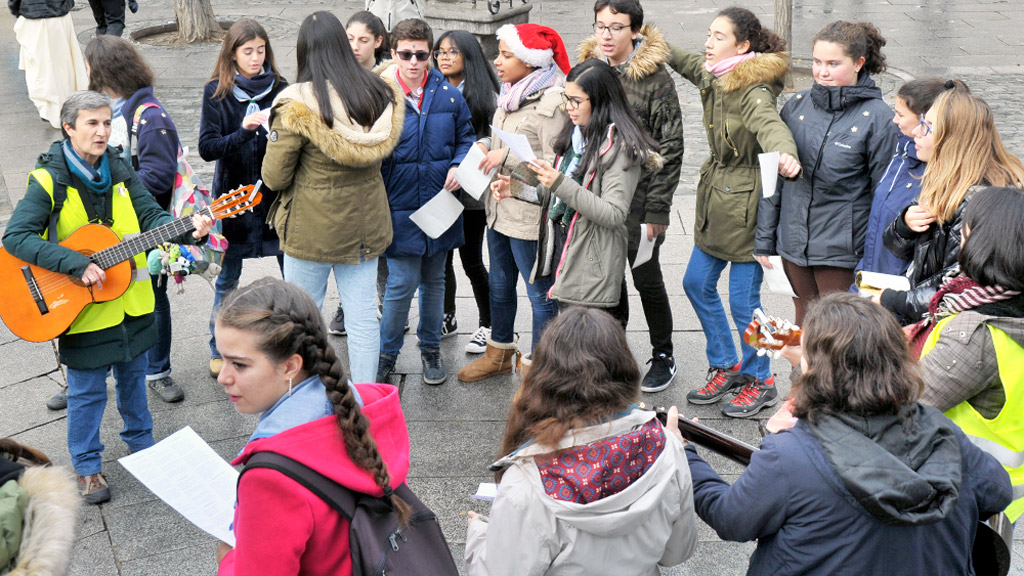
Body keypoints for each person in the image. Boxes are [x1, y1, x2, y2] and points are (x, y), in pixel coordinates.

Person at [677, 292, 1011, 575]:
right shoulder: (942, 431)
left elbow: (731, 520)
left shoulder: (788, 456)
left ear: (814, 371)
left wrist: (686, 456)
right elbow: (996, 492)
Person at [1, 91, 213, 504]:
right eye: (91, 124)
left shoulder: (117, 167)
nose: (102, 132)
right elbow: (15, 237)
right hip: (79, 311)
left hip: (131, 302)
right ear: (68, 128)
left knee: (135, 380)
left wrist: (189, 229)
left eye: (106, 123)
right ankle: (87, 466)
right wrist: (74, 264)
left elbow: (151, 215)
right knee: (86, 392)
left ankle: (143, 445)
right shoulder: (49, 179)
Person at [464, 307, 696, 574]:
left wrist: (479, 535)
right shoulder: (667, 446)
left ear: (545, 379)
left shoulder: (527, 483)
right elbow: (676, 551)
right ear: (625, 369)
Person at [213, 278, 411, 575]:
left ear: (290, 366)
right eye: (221, 359)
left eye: (239, 364)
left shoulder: (269, 478)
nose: (222, 377)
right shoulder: (360, 408)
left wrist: (229, 558)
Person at [666, 7, 799, 416]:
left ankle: (765, 379)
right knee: (695, 282)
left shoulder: (753, 88)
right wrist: (642, 38)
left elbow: (770, 125)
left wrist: (786, 154)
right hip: (717, 201)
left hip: (750, 208)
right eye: (708, 34)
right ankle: (729, 364)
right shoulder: (718, 72)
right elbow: (687, 62)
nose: (708, 42)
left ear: (742, 46)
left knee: (745, 303)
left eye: (718, 36)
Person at [261, 11, 403, 385]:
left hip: (311, 229)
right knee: (361, 318)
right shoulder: (379, 92)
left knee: (303, 320)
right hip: (365, 224)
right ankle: (366, 396)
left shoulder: (297, 104)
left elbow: (274, 177)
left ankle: (306, 391)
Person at [755, 21, 899, 325]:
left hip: (842, 251)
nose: (822, 71)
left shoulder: (879, 119)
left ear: (859, 63)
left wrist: (873, 258)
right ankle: (803, 374)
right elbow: (773, 182)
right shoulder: (796, 107)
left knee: (839, 330)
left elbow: (884, 197)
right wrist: (765, 241)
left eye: (833, 64)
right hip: (793, 244)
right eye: (817, 62)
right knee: (803, 324)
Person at [493, 59, 659, 314]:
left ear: (601, 100)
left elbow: (614, 214)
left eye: (576, 101)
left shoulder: (620, 148)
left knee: (589, 347)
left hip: (593, 258)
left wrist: (560, 183)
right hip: (565, 246)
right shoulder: (576, 134)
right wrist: (516, 190)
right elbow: (559, 199)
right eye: (566, 98)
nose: (568, 108)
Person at [577, 0, 683, 393]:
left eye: (616, 27)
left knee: (646, 276)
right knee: (607, 276)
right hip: (599, 194)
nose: (606, 35)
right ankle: (612, 353)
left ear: (635, 31)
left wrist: (658, 208)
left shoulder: (653, 78)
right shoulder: (591, 69)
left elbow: (671, 146)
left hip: (640, 200)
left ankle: (664, 354)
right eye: (600, 26)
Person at [457, 23, 570, 383]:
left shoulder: (553, 100)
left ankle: (542, 370)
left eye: (506, 54)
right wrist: (485, 146)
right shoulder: (509, 92)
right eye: (500, 53)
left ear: (530, 60)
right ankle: (499, 352)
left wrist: (506, 155)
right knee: (500, 286)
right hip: (499, 207)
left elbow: (559, 164)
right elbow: (500, 138)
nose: (497, 61)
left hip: (530, 215)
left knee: (540, 294)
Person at [85, 35, 185, 404]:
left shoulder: (149, 115)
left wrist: (110, 190)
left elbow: (159, 175)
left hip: (144, 229)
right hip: (112, 232)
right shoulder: (113, 109)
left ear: (103, 70)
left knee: (153, 294)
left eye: (89, 65)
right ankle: (102, 368)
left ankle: (158, 370)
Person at [375, 18, 476, 386]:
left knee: (435, 281)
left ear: (430, 54)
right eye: (406, 54)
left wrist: (457, 165)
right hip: (398, 205)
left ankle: (430, 350)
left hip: (440, 203)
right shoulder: (380, 95)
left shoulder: (450, 95)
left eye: (421, 54)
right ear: (393, 52)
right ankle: (386, 355)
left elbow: (467, 137)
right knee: (400, 282)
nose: (414, 61)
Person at [914, 186, 1024, 522]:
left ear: (982, 244)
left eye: (964, 233)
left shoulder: (975, 337)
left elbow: (900, 404)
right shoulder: (1004, 304)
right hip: (996, 489)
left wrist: (810, 363)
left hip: (959, 496)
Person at [877, 87, 1024, 323]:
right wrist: (905, 225)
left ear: (952, 140)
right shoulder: (944, 180)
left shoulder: (978, 203)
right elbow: (896, 247)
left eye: (927, 126)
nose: (916, 131)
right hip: (933, 317)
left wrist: (897, 301)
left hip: (952, 326)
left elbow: (959, 285)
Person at [199, 19, 288, 379]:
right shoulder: (216, 92)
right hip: (232, 201)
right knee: (226, 279)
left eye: (260, 50)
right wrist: (242, 132)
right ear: (232, 54)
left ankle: (293, 341)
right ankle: (218, 346)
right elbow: (207, 148)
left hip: (275, 199)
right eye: (247, 51)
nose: (255, 58)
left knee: (290, 275)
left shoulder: (282, 88)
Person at [433, 30, 500, 354]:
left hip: (472, 194)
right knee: (441, 257)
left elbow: (490, 142)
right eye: (440, 51)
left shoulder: (483, 95)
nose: (444, 57)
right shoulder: (433, 89)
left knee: (471, 259)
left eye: (453, 51)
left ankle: (488, 324)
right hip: (443, 189)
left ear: (468, 56)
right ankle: (447, 316)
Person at [329, 10, 391, 339]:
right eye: (349, 39)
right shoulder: (337, 78)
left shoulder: (386, 79)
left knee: (382, 250)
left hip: (385, 173)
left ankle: (388, 305)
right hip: (350, 182)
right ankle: (346, 304)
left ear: (378, 42)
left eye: (363, 40)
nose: (355, 46)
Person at [852, 78, 947, 283]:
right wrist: (864, 280)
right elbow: (879, 225)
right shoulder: (902, 153)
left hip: (899, 293)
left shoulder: (936, 173)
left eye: (900, 114)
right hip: (876, 282)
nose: (895, 120)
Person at [9, 0, 89, 129]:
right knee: (64, 64)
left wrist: (17, 10)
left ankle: (49, 108)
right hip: (59, 14)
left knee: (40, 66)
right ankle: (67, 105)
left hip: (33, 15)